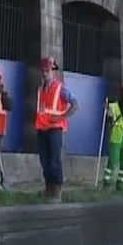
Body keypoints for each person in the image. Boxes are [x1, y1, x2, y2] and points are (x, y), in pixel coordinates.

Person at [34, 56, 79, 203]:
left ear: (53, 71)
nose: (45, 73)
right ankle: (49, 189)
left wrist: (61, 118)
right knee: (45, 161)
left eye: (47, 70)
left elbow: (75, 104)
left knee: (54, 161)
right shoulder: (40, 90)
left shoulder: (60, 88)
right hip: (42, 129)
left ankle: (56, 192)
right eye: (43, 70)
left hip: (55, 130)